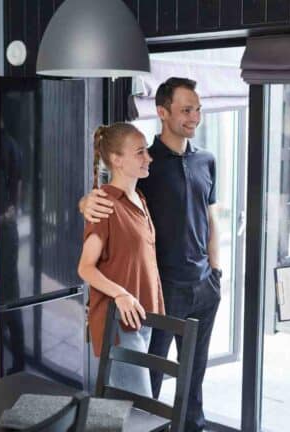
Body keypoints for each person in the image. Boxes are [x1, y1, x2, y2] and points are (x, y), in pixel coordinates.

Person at [79, 77, 221, 431]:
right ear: (162, 112)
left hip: (201, 287)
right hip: (159, 293)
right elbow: (108, 194)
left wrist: (216, 270)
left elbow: (210, 216)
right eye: (186, 109)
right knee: (147, 388)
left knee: (193, 377)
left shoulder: (206, 160)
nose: (195, 117)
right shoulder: (147, 164)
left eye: (198, 109)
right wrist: (85, 202)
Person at [77, 122, 165, 397]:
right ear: (116, 160)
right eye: (139, 152)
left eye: (146, 151)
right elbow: (85, 268)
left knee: (123, 407)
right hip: (119, 320)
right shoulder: (104, 204)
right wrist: (121, 295)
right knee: (139, 405)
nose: (148, 158)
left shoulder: (138, 198)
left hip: (141, 316)